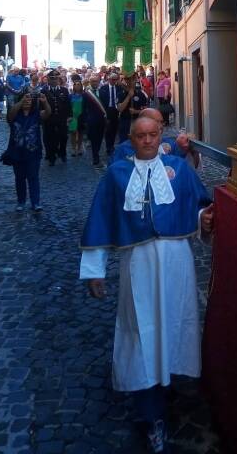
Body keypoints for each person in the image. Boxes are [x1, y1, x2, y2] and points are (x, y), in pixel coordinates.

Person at [79, 116, 214, 453]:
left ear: (160, 136)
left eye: (154, 134)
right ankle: (149, 407)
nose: (148, 141)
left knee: (173, 323)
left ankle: (166, 384)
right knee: (142, 330)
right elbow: (100, 220)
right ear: (131, 139)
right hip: (137, 264)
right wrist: (94, 270)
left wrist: (203, 219)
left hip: (176, 261)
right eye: (141, 136)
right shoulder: (116, 175)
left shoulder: (179, 170)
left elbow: (196, 206)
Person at [6, 89, 52, 210]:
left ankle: (35, 202)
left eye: (29, 100)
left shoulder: (36, 114)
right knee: (19, 178)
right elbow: (10, 115)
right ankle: (21, 202)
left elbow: (47, 113)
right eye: (25, 99)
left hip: (33, 152)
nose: (27, 102)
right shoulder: (15, 114)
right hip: (17, 152)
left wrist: (45, 102)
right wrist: (21, 101)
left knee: (33, 177)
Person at [110, 108, 182, 163]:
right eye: (156, 122)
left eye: (161, 122)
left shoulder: (171, 144)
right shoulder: (123, 149)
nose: (160, 126)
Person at [41, 70, 73, 165]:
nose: (54, 81)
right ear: (48, 80)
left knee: (63, 137)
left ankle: (62, 153)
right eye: (52, 79)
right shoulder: (44, 91)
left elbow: (68, 105)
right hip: (49, 119)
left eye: (56, 79)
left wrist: (70, 116)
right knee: (50, 138)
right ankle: (52, 157)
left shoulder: (64, 90)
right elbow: (41, 106)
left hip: (61, 118)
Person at [99, 72, 127, 155]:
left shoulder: (119, 88)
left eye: (115, 79)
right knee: (108, 130)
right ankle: (108, 146)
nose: (114, 81)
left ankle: (112, 145)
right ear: (109, 79)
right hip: (107, 110)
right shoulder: (103, 88)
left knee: (115, 129)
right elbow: (101, 101)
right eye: (112, 79)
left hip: (116, 110)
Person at [82, 74, 107, 166]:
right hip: (91, 121)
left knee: (100, 138)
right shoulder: (86, 94)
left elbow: (106, 106)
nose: (94, 83)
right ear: (90, 82)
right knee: (93, 139)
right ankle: (95, 156)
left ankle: (96, 152)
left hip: (101, 120)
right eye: (92, 81)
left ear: (99, 82)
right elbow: (83, 108)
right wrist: (85, 120)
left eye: (96, 81)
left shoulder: (103, 92)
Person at [117, 75, 149, 144]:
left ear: (136, 80)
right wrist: (128, 96)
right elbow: (120, 109)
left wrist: (136, 111)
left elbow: (146, 111)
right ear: (125, 80)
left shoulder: (141, 94)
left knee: (139, 143)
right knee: (124, 143)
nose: (131, 82)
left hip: (138, 122)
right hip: (125, 122)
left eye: (133, 79)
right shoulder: (120, 94)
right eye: (128, 79)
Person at [69, 80, 85, 156]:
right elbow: (68, 107)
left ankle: (79, 148)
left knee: (81, 132)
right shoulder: (71, 96)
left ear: (81, 86)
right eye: (75, 84)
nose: (77, 86)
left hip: (81, 116)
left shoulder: (84, 95)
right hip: (73, 116)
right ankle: (73, 148)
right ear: (73, 86)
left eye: (79, 84)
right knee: (73, 133)